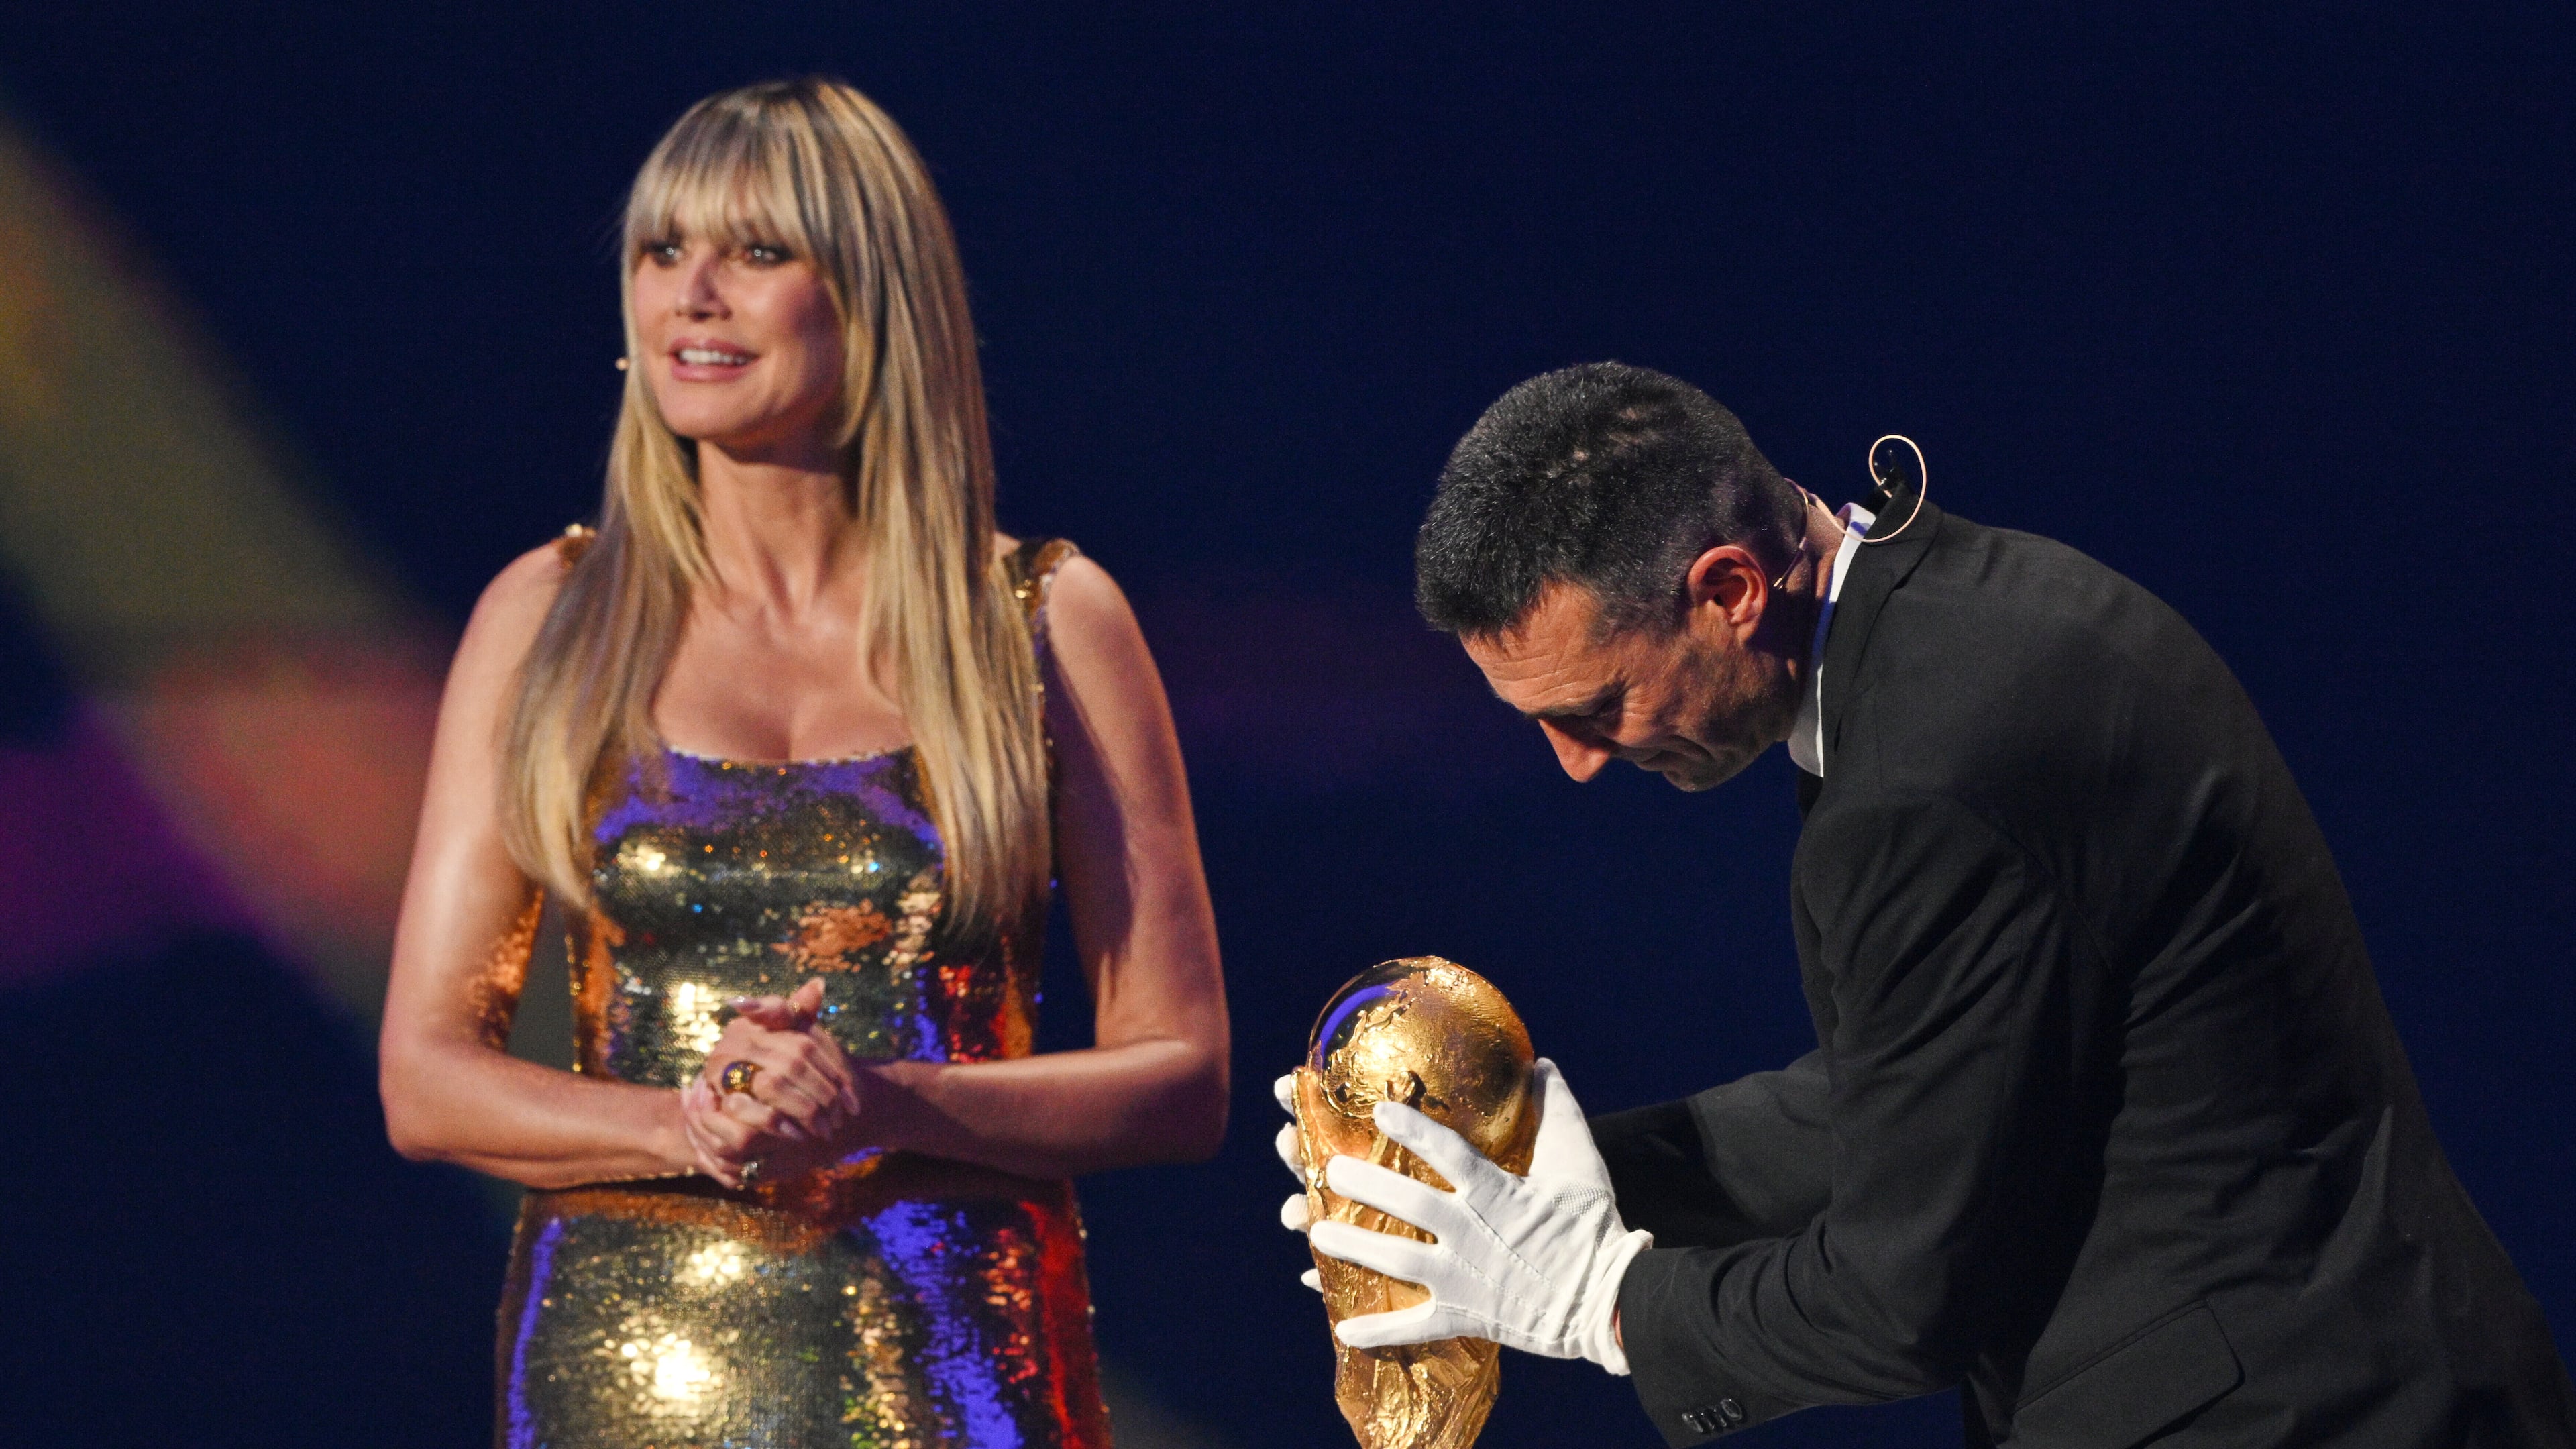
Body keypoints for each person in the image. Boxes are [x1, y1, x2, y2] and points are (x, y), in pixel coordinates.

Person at [1279, 363, 2574, 1446]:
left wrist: (1599, 1299)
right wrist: (1528, 1170)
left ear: (1728, 592)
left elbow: (1904, 1296)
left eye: (1596, 707)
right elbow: (1932, 1091)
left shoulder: (1928, 775)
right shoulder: (1964, 628)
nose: (1575, 763)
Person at [378, 78, 1227, 1448]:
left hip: (959, 1371)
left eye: (758, 252)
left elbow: (1180, 1076)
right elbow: (425, 1080)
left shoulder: (1044, 621)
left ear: (873, 302)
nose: (692, 296)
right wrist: (696, 1123)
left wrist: (880, 1105)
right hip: (625, 1377)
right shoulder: (549, 616)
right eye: (663, 252)